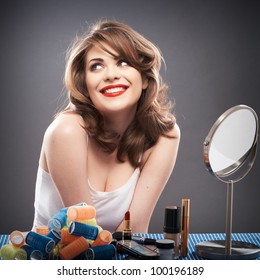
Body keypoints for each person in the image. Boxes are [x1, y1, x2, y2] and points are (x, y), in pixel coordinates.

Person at [32, 19, 180, 233]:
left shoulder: (165, 136)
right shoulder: (66, 131)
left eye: (123, 62)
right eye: (97, 66)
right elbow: (85, 233)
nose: (110, 75)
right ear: (85, 84)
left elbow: (135, 229)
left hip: (113, 258)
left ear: (145, 78)